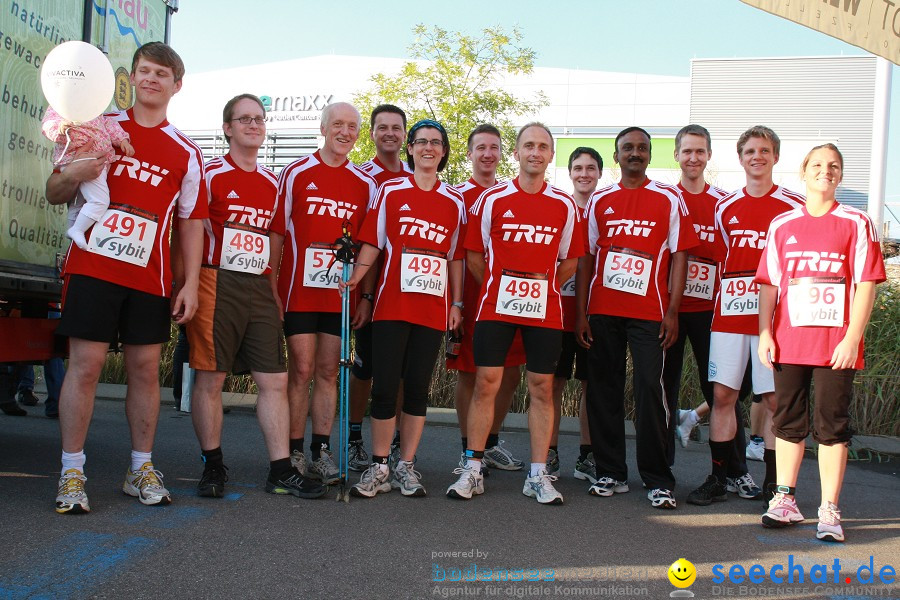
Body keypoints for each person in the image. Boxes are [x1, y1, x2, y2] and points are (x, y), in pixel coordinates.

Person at [46, 42, 207, 514]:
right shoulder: (99, 129)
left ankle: (140, 467)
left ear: (177, 85)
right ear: (131, 78)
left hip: (149, 278)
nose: (152, 79)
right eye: (144, 71)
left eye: (162, 73)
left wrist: (191, 283)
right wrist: (75, 170)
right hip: (93, 268)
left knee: (142, 372)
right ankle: (72, 471)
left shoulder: (187, 152)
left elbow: (191, 223)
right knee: (87, 367)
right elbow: (55, 191)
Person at [185, 93, 325, 500]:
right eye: (244, 119)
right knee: (211, 378)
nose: (254, 125)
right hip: (217, 282)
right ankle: (212, 465)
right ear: (227, 128)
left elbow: (274, 240)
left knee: (274, 380)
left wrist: (275, 289)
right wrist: (187, 284)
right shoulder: (210, 174)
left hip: (259, 286)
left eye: (259, 119)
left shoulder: (272, 182)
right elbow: (190, 234)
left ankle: (281, 470)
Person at [447, 122, 582, 505]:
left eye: (542, 146)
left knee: (541, 388)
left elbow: (569, 260)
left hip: (546, 310)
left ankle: (538, 474)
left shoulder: (565, 204)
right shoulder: (491, 200)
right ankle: (472, 467)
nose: (535, 152)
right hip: (495, 306)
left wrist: (542, 286)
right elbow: (474, 255)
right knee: (486, 382)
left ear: (550, 154)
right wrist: (498, 286)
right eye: (528, 146)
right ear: (517, 153)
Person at [757, 143, 885, 542]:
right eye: (817, 165)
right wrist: (764, 332)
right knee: (787, 421)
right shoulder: (783, 225)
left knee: (832, 427)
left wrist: (852, 337)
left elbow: (866, 284)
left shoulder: (856, 222)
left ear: (840, 175)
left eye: (833, 166)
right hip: (789, 341)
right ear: (804, 172)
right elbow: (769, 285)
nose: (824, 171)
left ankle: (829, 508)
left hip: (835, 345)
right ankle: (785, 499)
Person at [343, 118, 466, 498]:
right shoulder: (391, 192)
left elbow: (455, 258)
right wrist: (356, 277)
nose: (428, 148)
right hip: (391, 308)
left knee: (416, 390)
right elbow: (372, 243)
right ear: (410, 149)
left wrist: (457, 303)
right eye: (421, 142)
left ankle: (407, 466)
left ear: (443, 152)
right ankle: (379, 465)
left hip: (432, 311)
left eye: (436, 143)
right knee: (384, 388)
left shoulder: (455, 201)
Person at [576, 126, 697, 510]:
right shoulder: (600, 200)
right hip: (603, 310)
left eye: (642, 148)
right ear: (616, 157)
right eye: (627, 148)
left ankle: (659, 479)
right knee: (603, 389)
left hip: (650, 313)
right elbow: (586, 259)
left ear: (649, 155)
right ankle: (610, 471)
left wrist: (673, 309)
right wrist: (581, 312)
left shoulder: (669, 198)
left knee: (650, 391)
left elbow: (680, 256)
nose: (635, 153)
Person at [694, 125, 805, 507]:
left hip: (772, 320)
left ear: (775, 157)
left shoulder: (793, 207)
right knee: (723, 395)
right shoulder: (725, 207)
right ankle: (718, 478)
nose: (757, 157)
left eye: (764, 150)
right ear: (740, 159)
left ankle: (774, 485)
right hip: (729, 313)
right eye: (750, 151)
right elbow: (724, 258)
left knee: (773, 399)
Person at [269, 102, 377, 485]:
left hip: (339, 297)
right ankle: (295, 450)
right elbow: (278, 233)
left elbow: (370, 246)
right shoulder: (295, 172)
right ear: (323, 127)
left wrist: (364, 295)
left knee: (329, 371)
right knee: (301, 370)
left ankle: (321, 450)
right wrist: (272, 285)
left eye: (352, 127)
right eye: (338, 125)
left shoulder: (366, 184)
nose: (344, 132)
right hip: (298, 293)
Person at [663, 125, 762, 504]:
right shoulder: (665, 198)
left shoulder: (722, 203)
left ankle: (735, 472)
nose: (693, 158)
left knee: (723, 394)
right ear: (676, 155)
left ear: (708, 156)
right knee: (664, 393)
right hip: (669, 310)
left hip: (712, 312)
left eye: (700, 151)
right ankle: (662, 474)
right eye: (686, 151)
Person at [449, 124, 526, 474]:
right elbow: (457, 255)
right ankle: (468, 450)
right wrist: (457, 302)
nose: (487, 154)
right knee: (470, 374)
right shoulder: (457, 196)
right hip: (471, 300)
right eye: (480, 147)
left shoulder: (512, 194)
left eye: (494, 147)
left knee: (509, 373)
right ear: (469, 153)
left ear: (502, 153)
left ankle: (490, 443)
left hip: (511, 302)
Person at [350, 104, 413, 470]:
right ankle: (356, 437)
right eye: (382, 127)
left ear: (405, 135)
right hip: (373, 294)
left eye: (396, 128)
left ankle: (396, 442)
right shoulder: (364, 177)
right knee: (366, 368)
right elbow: (365, 242)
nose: (390, 133)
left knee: (402, 371)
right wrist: (367, 296)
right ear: (372, 133)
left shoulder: (414, 174)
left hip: (407, 295)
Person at [550, 147, 602, 482]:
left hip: (593, 315)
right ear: (569, 173)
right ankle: (549, 452)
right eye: (578, 168)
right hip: (556, 312)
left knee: (590, 385)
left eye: (591, 168)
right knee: (551, 384)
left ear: (599, 173)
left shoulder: (605, 210)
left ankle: (586, 456)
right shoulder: (558, 207)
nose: (584, 174)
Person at [41, 107, 135, 249]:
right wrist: (60, 129)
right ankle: (77, 230)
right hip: (81, 159)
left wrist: (123, 140)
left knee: (79, 202)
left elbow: (109, 125)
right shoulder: (64, 105)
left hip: (98, 162)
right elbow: (49, 124)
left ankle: (72, 230)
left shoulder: (96, 110)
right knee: (99, 201)